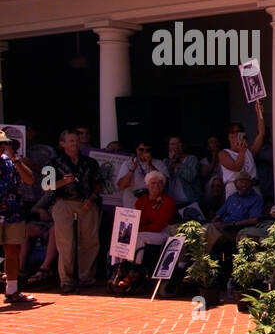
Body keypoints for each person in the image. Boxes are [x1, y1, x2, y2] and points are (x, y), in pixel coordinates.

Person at [49, 128, 104, 293]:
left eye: (77, 140)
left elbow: (98, 183)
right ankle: (66, 280)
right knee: (66, 243)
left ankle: (85, 278)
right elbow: (46, 185)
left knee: (90, 241)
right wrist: (62, 182)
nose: (75, 143)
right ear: (62, 144)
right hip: (63, 203)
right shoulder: (52, 162)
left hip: (87, 203)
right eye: (71, 141)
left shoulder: (90, 162)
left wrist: (92, 199)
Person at [111, 170, 178, 288]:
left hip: (161, 233)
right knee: (120, 236)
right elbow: (136, 220)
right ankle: (119, 268)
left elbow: (160, 225)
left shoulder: (168, 201)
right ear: (147, 185)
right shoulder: (141, 201)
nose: (156, 186)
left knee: (137, 238)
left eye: (159, 183)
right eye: (153, 183)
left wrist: (138, 230)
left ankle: (135, 270)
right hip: (144, 231)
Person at [0, 130, 37, 306]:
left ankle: (12, 290)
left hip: (13, 213)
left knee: (12, 251)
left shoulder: (10, 162)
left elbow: (29, 180)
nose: (2, 147)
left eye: (4, 144)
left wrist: (15, 159)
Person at [205, 170, 265, 253]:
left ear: (251, 184)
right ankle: (201, 260)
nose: (244, 185)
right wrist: (215, 220)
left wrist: (232, 224)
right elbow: (218, 215)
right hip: (225, 227)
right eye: (241, 182)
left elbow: (254, 220)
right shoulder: (232, 198)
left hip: (240, 229)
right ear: (235, 184)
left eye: (246, 182)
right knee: (205, 228)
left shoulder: (256, 199)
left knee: (245, 238)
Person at [218, 101, 266, 197]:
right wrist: (242, 151)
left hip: (253, 187)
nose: (235, 134)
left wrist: (259, 113)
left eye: (238, 131)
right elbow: (236, 167)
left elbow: (261, 133)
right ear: (228, 136)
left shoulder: (249, 150)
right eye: (232, 132)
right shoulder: (223, 153)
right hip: (235, 190)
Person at [116, 141, 168, 205]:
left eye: (147, 150)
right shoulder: (127, 164)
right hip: (132, 205)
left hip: (152, 205)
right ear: (136, 150)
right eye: (141, 149)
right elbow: (121, 186)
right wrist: (131, 170)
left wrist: (150, 164)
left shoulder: (159, 163)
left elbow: (163, 183)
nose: (144, 152)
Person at [164, 136, 201, 206]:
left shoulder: (192, 159)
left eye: (178, 143)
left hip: (189, 201)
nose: (176, 146)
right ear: (168, 147)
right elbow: (164, 180)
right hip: (172, 203)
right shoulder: (166, 162)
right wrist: (171, 162)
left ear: (183, 145)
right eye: (173, 144)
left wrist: (178, 163)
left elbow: (190, 177)